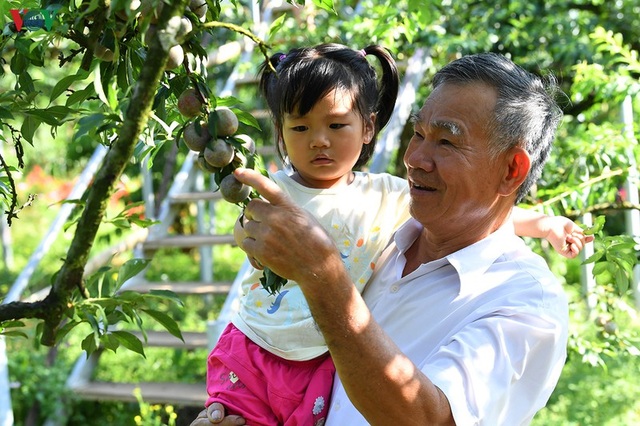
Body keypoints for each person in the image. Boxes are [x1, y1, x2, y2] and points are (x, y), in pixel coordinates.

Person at [194, 51, 592, 425]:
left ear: (511, 170)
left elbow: (427, 419)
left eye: (447, 141)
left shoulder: (522, 301)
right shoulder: (383, 234)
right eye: (418, 133)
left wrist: (323, 276)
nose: (415, 158)